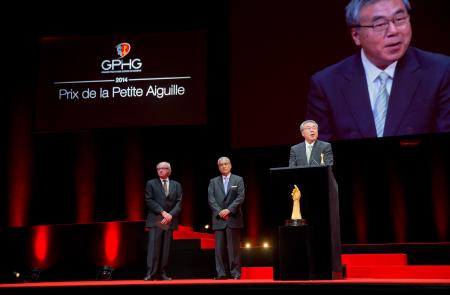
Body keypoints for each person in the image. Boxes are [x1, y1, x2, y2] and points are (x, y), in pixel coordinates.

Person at [306, 0, 450, 141]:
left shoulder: (441, 72)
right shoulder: (326, 85)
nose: (393, 31)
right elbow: (319, 156)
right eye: (380, 24)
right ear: (356, 35)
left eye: (400, 19)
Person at [208, 157, 245, 280]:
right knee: (219, 250)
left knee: (234, 249)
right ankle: (221, 273)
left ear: (230, 165)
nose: (224, 166)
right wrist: (220, 212)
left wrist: (228, 210)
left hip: (233, 218)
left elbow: (240, 197)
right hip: (219, 219)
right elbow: (211, 199)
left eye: (226, 164)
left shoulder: (238, 179)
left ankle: (235, 273)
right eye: (221, 165)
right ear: (218, 167)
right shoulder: (213, 182)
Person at [144, 161, 182, 281]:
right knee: (154, 247)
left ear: (169, 171)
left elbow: (179, 203)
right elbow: (149, 200)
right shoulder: (151, 183)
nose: (160, 170)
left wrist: (170, 215)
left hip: (169, 220)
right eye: (158, 168)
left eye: (163, 168)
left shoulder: (176, 185)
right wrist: (163, 212)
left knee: (165, 248)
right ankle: (151, 273)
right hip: (157, 219)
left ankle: (162, 273)